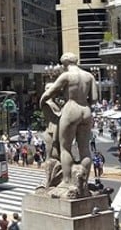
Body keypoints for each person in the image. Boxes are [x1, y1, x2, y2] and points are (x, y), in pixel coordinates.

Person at [39, 52, 98, 188]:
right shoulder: (89, 76)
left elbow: (50, 92)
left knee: (65, 148)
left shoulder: (66, 75)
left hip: (71, 108)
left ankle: (67, 181)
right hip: (86, 110)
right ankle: (83, 181)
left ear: (65, 64)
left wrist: (42, 101)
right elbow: (94, 98)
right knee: (84, 148)